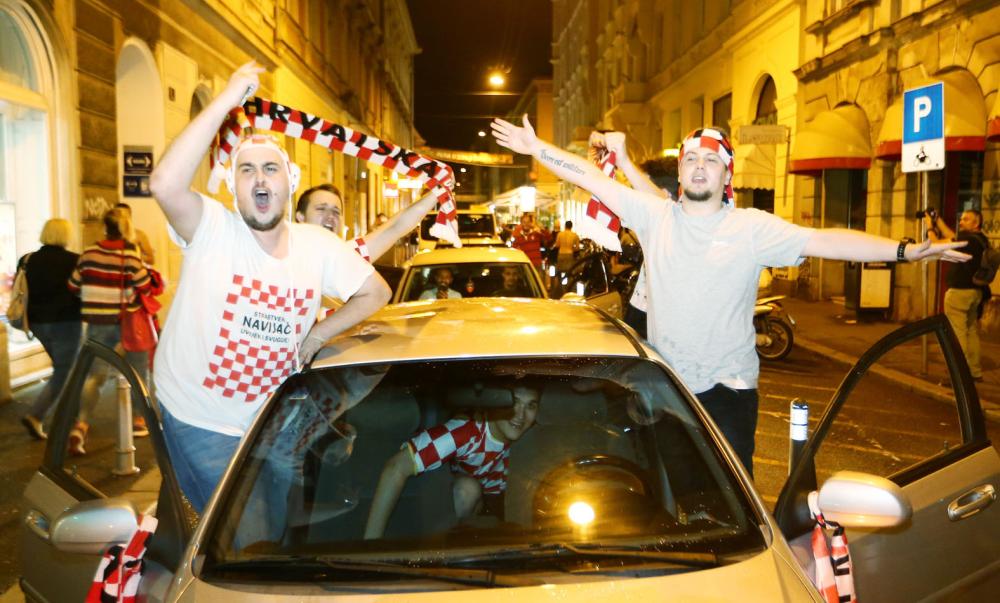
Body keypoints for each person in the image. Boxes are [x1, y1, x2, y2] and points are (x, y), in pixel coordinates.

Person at [492, 116, 969, 476]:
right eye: (692, 160)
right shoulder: (656, 217)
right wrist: (537, 147)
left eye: (711, 160)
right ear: (681, 172)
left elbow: (825, 240)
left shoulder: (751, 229)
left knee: (732, 500)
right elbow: (588, 176)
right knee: (673, 493)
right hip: (667, 390)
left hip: (728, 393)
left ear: (727, 176)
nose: (700, 167)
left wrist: (906, 250)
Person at [147, 61, 390, 512]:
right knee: (247, 541)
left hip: (272, 424)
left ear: (289, 182)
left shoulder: (318, 244)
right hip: (202, 422)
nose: (260, 178)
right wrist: (227, 98)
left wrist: (318, 334)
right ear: (234, 188)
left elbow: (376, 293)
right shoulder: (212, 228)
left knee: (276, 532)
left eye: (271, 169)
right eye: (247, 170)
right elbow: (163, 183)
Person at [364, 383, 540, 539]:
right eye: (514, 402)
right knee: (467, 489)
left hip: (470, 523)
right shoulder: (466, 431)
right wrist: (370, 547)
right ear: (495, 400)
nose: (521, 415)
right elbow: (395, 467)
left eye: (531, 406)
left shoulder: (524, 446)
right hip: (428, 512)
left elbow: (497, 505)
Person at [67, 208, 153, 454]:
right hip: (128, 324)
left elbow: (73, 285)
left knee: (95, 375)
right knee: (138, 371)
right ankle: (138, 419)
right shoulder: (130, 255)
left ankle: (81, 425)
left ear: (104, 227)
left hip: (97, 323)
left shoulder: (89, 253)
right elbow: (145, 286)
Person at [18, 219, 83, 440]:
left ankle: (71, 418)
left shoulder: (27, 260)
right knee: (65, 371)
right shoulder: (75, 261)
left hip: (38, 324)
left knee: (65, 369)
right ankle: (37, 415)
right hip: (67, 322)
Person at [608, 149, 679, 339]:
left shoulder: (678, 238)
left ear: (662, 196)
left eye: (638, 189)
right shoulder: (655, 232)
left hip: (660, 324)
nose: (634, 197)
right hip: (641, 311)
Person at [296, 185, 438, 263]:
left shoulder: (347, 257)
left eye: (336, 211)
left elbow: (396, 227)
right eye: (321, 209)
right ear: (300, 217)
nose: (330, 216)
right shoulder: (281, 258)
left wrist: (437, 193)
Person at [925, 209, 988, 381]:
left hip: (959, 293)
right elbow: (952, 237)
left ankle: (960, 375)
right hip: (975, 292)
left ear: (976, 223)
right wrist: (939, 221)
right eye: (961, 219)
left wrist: (930, 228)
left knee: (958, 333)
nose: (961, 222)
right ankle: (975, 372)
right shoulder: (980, 240)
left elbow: (937, 245)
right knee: (971, 331)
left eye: (966, 220)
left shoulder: (967, 239)